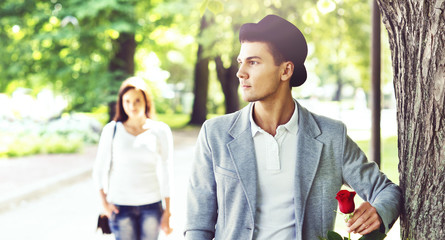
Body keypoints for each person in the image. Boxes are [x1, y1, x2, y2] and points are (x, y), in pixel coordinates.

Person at [184, 15, 401, 240]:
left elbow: (387, 190)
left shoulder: (331, 136)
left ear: (286, 71)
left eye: (254, 62)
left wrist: (378, 211)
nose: (241, 72)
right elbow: (198, 225)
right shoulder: (215, 134)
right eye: (241, 62)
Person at [93, 77, 173, 240]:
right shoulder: (112, 130)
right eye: (127, 101)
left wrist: (168, 211)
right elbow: (99, 169)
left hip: (152, 205)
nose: (132, 106)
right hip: (120, 207)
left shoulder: (160, 130)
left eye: (137, 100)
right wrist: (104, 204)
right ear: (121, 103)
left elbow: (167, 170)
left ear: (146, 101)